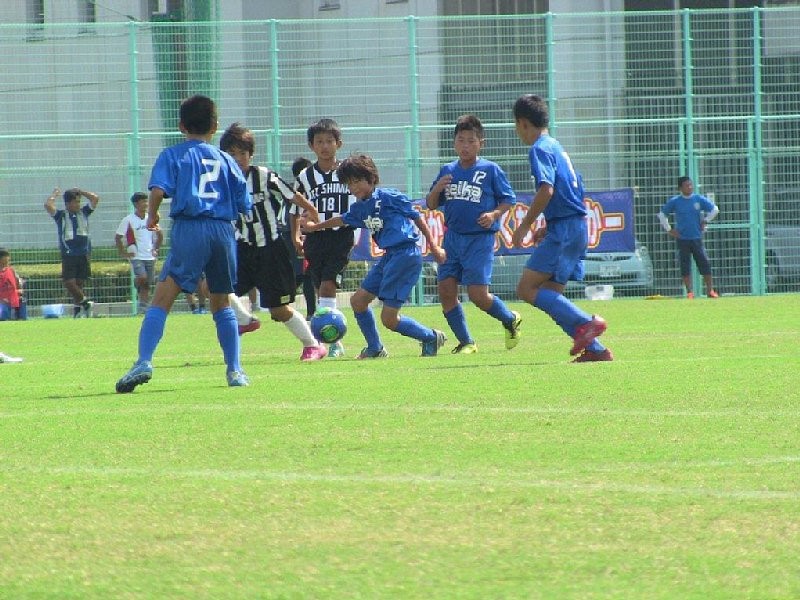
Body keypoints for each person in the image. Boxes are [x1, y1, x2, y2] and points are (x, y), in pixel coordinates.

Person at [115, 94, 251, 393]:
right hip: (223, 230)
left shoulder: (173, 154)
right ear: (214, 126)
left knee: (162, 299)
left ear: (181, 126)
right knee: (221, 302)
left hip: (191, 227)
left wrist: (152, 216)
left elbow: (157, 191)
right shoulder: (227, 160)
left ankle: (144, 361)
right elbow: (244, 203)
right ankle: (235, 370)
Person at [303, 153, 448, 358]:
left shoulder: (389, 197)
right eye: (349, 184)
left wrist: (434, 246)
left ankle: (430, 337)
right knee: (358, 302)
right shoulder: (359, 208)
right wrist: (314, 227)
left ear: (371, 178)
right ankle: (375, 348)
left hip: (406, 255)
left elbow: (417, 217)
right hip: (389, 257)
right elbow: (340, 220)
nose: (354, 187)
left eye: (357, 181)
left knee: (389, 319)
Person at [510, 94, 613, 363]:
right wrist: (549, 223)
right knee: (550, 293)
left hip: (565, 230)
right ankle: (596, 350)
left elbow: (546, 189)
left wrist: (524, 226)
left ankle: (587, 322)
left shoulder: (539, 149)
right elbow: (571, 189)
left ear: (522, 123)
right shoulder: (557, 147)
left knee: (526, 289)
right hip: (574, 225)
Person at [219, 122, 327, 361]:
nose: (238, 159)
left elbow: (291, 195)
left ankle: (313, 345)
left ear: (251, 154)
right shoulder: (222, 181)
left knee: (278, 310)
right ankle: (245, 320)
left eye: (242, 153)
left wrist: (311, 210)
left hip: (271, 250)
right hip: (242, 248)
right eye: (232, 154)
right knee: (216, 287)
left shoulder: (263, 176)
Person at [426, 114, 521, 354]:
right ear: (454, 143)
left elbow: (508, 199)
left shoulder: (490, 170)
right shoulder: (448, 170)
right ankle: (467, 342)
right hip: (452, 238)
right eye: (461, 140)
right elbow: (431, 204)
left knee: (478, 295)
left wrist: (494, 214)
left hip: (480, 239)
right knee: (446, 291)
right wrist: (437, 189)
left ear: (481, 143)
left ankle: (509, 319)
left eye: (471, 141)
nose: (465, 146)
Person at [289, 118, 355, 357]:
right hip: (315, 239)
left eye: (329, 141)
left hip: (341, 236)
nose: (325, 146)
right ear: (311, 145)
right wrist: (296, 235)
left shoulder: (349, 172)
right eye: (319, 142)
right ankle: (328, 336)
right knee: (320, 287)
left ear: (339, 143)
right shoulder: (305, 177)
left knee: (328, 285)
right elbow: (294, 209)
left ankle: (332, 342)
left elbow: (362, 197)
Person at [657, 176, 720, 299]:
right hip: (682, 239)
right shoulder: (675, 201)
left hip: (696, 238)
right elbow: (662, 215)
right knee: (685, 265)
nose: (690, 187)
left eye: (691, 185)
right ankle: (689, 292)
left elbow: (715, 209)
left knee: (705, 263)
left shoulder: (698, 199)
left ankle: (710, 290)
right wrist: (669, 229)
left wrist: (705, 220)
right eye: (687, 185)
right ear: (680, 188)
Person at [43, 187, 100, 318]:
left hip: (83, 253)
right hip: (69, 253)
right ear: (68, 203)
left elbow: (95, 198)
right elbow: (48, 205)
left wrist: (82, 191)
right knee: (69, 282)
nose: (78, 204)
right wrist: (55, 195)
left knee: (79, 284)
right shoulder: (61, 216)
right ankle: (86, 303)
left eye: (79, 201)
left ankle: (78, 311)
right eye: (75, 202)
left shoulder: (84, 213)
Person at [115, 192, 163, 314]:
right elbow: (118, 237)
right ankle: (137, 283)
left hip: (150, 255)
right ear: (136, 204)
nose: (146, 204)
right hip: (136, 255)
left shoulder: (150, 218)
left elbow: (160, 235)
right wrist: (123, 252)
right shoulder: (128, 220)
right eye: (143, 202)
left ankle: (143, 307)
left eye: (147, 201)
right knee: (142, 277)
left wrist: (156, 248)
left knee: (147, 283)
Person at [284, 156, 317, 319]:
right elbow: (294, 215)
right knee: (302, 275)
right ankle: (280, 302)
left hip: (294, 234)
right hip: (296, 234)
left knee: (305, 274)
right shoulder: (297, 192)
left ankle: (310, 311)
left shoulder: (292, 190)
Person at [0, 248, 26, 320]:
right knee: (3, 311)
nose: (7, 263)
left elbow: (18, 285)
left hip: (12, 298)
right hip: (3, 300)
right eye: (4, 263)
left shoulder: (11, 270)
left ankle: (21, 318)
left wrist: (19, 289)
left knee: (22, 300)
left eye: (8, 261)